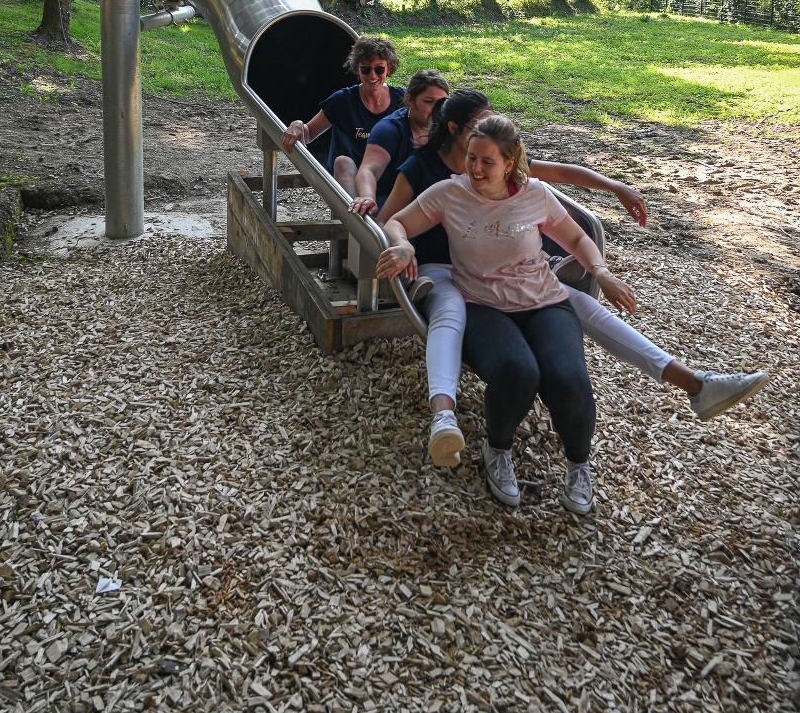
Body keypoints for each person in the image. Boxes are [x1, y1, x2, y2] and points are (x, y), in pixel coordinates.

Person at [377, 92, 770, 485]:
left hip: (541, 296)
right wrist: (403, 244)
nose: (476, 169)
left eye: (486, 162)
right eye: (472, 159)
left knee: (569, 379)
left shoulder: (534, 194)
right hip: (481, 299)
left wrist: (600, 272)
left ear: (510, 162)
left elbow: (577, 237)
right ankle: (495, 449)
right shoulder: (450, 191)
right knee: (519, 371)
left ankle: (581, 465)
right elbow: (398, 221)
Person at [281, 37, 405, 195]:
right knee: (342, 162)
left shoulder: (400, 100)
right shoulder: (343, 100)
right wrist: (297, 124)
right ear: (357, 69)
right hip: (351, 176)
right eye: (365, 69)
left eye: (379, 69)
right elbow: (310, 132)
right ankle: (355, 216)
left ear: (388, 69)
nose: (372, 75)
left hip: (386, 174)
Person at [348, 69, 450, 214]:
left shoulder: (449, 129)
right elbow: (368, 170)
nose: (436, 109)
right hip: (388, 198)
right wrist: (368, 197)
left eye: (441, 103)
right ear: (410, 100)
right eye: (429, 102)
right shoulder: (388, 129)